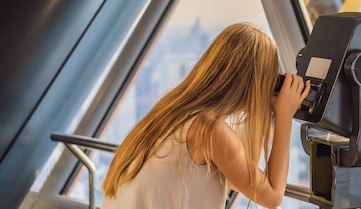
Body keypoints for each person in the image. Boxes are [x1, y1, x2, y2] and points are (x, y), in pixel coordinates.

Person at [101, 23, 310, 209]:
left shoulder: (170, 112)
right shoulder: (209, 129)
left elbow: (238, 178)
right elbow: (272, 197)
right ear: (254, 84)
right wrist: (284, 115)